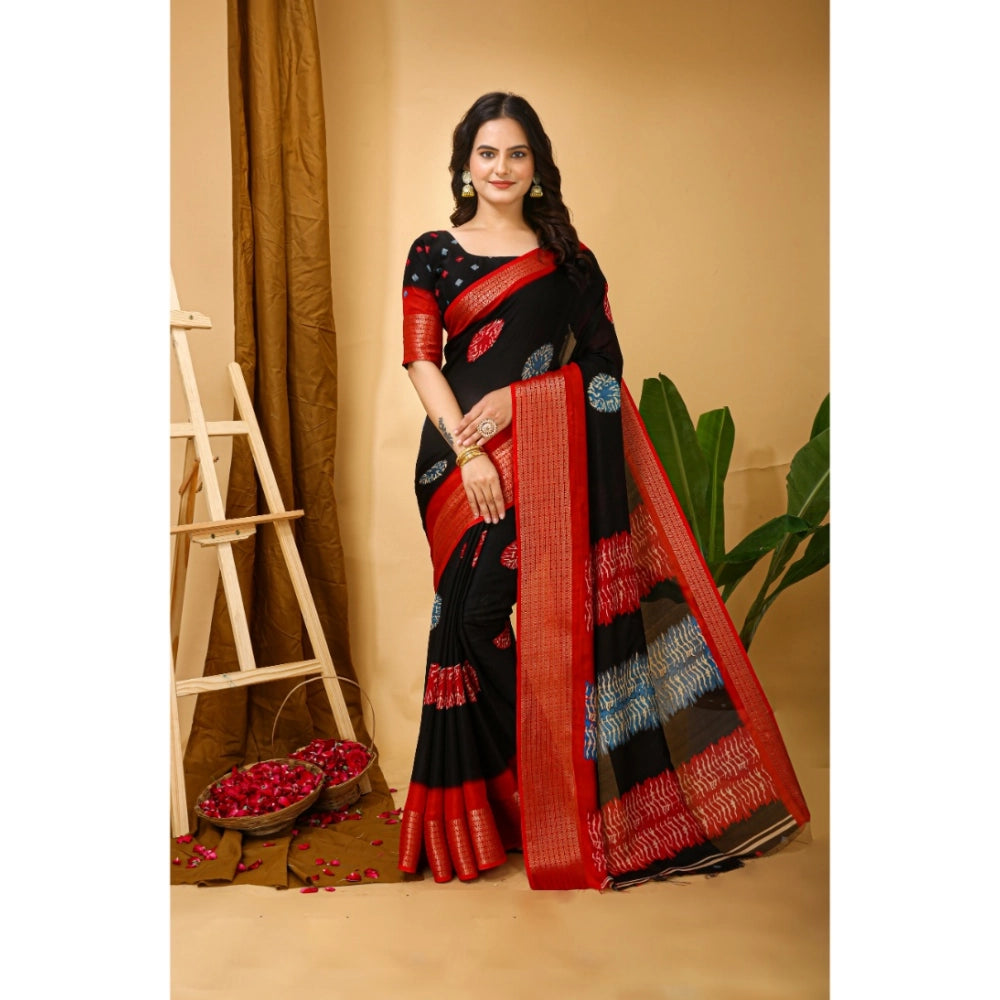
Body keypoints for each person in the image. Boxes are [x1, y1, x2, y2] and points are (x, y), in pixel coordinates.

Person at [398, 92, 809, 891]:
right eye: (488, 153)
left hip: (542, 461)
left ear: (538, 166)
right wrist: (470, 453)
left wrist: (519, 403)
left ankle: (556, 789)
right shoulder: (433, 251)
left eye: (517, 153)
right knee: (466, 622)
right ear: (466, 165)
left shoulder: (569, 259)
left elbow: (602, 371)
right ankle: (524, 798)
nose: (502, 167)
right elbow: (420, 359)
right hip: (454, 465)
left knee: (486, 618)